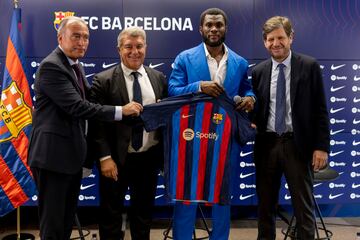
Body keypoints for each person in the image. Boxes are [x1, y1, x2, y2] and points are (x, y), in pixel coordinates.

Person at [27, 16, 142, 239]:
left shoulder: (74, 65)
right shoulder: (52, 66)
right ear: (60, 38)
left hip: (69, 158)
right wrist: (121, 110)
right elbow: (79, 107)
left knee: (65, 220)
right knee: (52, 224)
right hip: (52, 158)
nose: (82, 42)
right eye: (76, 36)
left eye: (86, 38)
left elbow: (92, 98)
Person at [168, 8, 255, 240]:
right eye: (209, 25)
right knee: (187, 195)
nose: (214, 29)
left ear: (225, 28)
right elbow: (173, 90)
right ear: (201, 29)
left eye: (218, 25)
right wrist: (199, 86)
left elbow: (246, 88)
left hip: (225, 139)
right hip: (191, 138)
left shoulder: (240, 62)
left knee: (222, 197)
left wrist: (250, 98)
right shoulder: (184, 58)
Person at [252, 16, 330, 240]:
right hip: (267, 144)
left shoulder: (309, 66)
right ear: (264, 42)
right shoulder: (258, 71)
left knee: (303, 206)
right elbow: (258, 111)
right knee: (265, 206)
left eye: (280, 38)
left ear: (291, 38)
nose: (276, 43)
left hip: (298, 145)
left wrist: (321, 147)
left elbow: (320, 110)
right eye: (270, 39)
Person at [89, 26, 167, 240]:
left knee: (143, 216)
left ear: (146, 47)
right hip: (115, 161)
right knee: (111, 216)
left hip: (148, 159)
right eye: (128, 47)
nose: (135, 51)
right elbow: (97, 123)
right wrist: (104, 158)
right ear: (119, 49)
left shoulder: (159, 78)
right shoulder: (103, 80)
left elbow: (165, 118)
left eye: (139, 46)